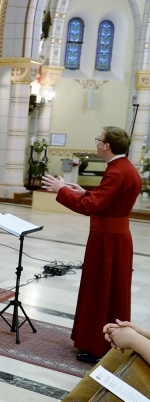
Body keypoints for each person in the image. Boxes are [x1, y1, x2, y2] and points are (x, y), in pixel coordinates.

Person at [42, 126, 142, 363]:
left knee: (100, 290)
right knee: (108, 290)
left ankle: (98, 347)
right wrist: (83, 191)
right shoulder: (123, 167)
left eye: (98, 139)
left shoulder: (117, 172)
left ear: (106, 145)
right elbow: (107, 200)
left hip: (108, 239)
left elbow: (91, 206)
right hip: (114, 237)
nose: (96, 142)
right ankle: (104, 340)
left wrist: (63, 190)